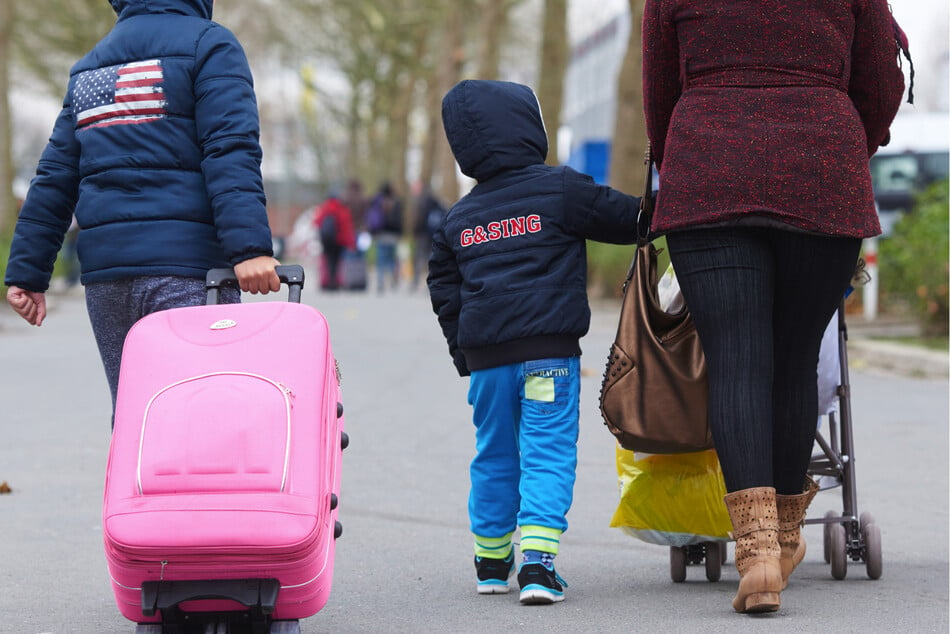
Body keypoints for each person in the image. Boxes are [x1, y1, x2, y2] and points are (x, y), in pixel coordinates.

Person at [641, 0, 907, 614]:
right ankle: (784, 541)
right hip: (821, 169)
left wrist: (676, 155)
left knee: (735, 360)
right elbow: (881, 80)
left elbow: (660, 94)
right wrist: (838, 137)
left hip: (708, 169)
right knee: (792, 361)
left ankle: (755, 554)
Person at [4, 0, 280, 415]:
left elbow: (56, 175)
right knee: (202, 415)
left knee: (139, 417)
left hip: (109, 279)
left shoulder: (92, 66)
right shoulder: (210, 45)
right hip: (188, 270)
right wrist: (250, 250)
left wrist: (27, 272)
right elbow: (229, 150)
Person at [428, 79, 643, 605]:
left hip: (488, 367)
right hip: (548, 357)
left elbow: (445, 291)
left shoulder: (459, 219)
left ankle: (491, 560)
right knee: (546, 450)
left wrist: (466, 356)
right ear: (531, 129)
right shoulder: (561, 190)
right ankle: (539, 566)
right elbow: (630, 219)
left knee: (494, 454)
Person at [313, 191, 357, 291]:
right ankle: (334, 282)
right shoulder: (342, 209)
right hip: (338, 241)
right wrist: (350, 242)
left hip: (326, 241)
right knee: (336, 262)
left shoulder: (324, 209)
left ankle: (327, 282)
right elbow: (346, 227)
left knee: (327, 261)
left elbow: (317, 222)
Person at [366, 182, 403, 293]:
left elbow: (372, 216)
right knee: (392, 260)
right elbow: (399, 220)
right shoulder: (396, 202)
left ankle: (380, 282)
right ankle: (392, 281)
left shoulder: (378, 201)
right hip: (393, 235)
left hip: (381, 234)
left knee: (381, 260)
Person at [411, 183, 447, 291]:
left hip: (422, 235)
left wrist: (415, 231)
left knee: (418, 258)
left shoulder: (421, 202)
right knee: (430, 259)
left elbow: (418, 220)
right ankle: (431, 282)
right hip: (433, 234)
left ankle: (416, 282)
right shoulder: (435, 202)